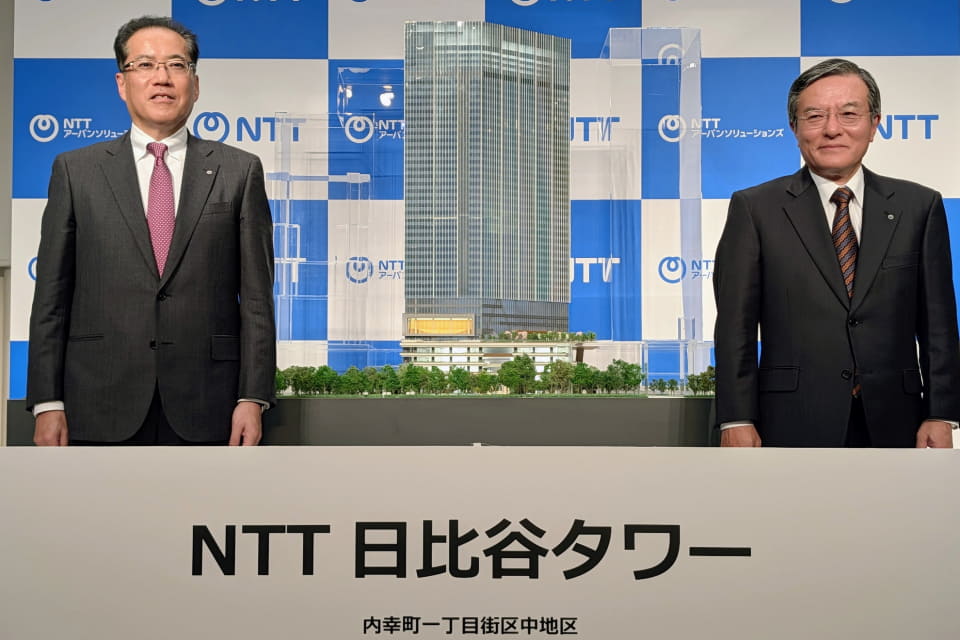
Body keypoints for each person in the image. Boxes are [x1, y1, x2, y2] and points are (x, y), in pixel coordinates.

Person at [26, 16, 276, 446]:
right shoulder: (75, 171)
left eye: (176, 65)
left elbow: (256, 300)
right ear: (122, 84)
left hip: (210, 403)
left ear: (195, 85)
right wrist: (47, 401)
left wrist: (252, 397)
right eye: (145, 65)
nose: (162, 78)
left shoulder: (239, 170)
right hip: (97, 400)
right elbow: (51, 296)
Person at [713, 58, 960, 448]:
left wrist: (940, 413)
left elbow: (938, 326)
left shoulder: (919, 206)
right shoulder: (755, 208)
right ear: (794, 127)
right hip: (790, 420)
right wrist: (736, 418)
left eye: (849, 114)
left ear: (874, 124)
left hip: (898, 421)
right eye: (814, 116)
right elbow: (735, 327)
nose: (832, 129)